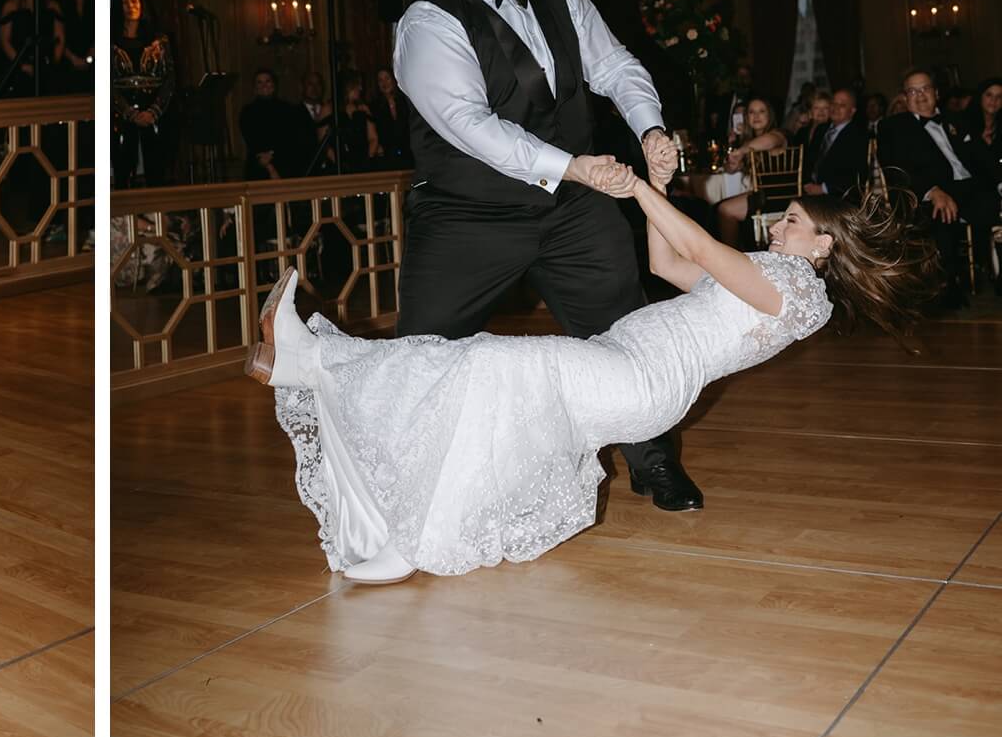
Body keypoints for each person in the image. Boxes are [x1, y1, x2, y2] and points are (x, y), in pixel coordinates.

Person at [247, 150, 938, 584]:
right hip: (627, 359)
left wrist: (638, 186)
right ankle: (319, 373)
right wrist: (652, 193)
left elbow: (695, 243)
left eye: (791, 220)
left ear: (824, 245)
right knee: (466, 372)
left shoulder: (797, 290)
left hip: (643, 382)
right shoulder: (778, 275)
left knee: (489, 364)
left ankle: (402, 521)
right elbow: (669, 263)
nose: (777, 226)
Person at [391, 0, 700, 511]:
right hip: (466, 212)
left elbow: (615, 67)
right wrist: (577, 167)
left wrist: (651, 128)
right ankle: (405, 480)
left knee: (626, 330)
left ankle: (654, 463)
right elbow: (475, 129)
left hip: (575, 212)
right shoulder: (429, 22)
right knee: (423, 353)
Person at [878, 67, 999, 305]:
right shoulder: (893, 126)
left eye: (925, 89)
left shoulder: (957, 120)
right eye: (912, 91)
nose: (920, 95)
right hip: (928, 194)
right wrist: (931, 191)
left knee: (997, 207)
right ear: (904, 97)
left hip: (971, 189)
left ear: (936, 93)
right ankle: (945, 287)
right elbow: (894, 168)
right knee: (940, 214)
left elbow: (983, 157)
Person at [111, 0, 172, 186]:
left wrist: (153, 111)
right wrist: (128, 112)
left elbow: (169, 78)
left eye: (134, 1)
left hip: (154, 109)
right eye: (125, 2)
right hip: (120, 111)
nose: (130, 6)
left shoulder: (159, 40)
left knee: (157, 167)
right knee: (122, 167)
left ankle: (157, 214)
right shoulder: (109, 39)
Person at [705, 96, 788, 242]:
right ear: (746, 117)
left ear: (769, 115)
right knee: (715, 208)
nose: (756, 116)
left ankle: (731, 256)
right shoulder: (747, 142)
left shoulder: (779, 134)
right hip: (761, 194)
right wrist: (732, 159)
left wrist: (741, 151)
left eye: (761, 111)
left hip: (779, 195)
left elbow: (768, 141)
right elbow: (731, 170)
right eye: (751, 112)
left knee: (725, 210)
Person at [0, 0, 65, 95]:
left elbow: (60, 38)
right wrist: (22, 65)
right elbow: (4, 41)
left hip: (47, 68)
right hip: (18, 69)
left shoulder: (52, 6)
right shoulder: (11, 6)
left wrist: (51, 64)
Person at [238, 68, 312, 181]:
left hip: (285, 164)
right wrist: (269, 167)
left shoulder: (287, 109)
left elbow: (290, 138)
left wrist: (273, 155)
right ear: (255, 88)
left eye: (268, 81)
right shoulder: (247, 112)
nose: (264, 85)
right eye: (260, 82)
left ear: (274, 85)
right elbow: (252, 140)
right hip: (258, 167)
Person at [804, 87, 869, 198]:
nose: (835, 108)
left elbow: (857, 176)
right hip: (810, 194)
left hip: (839, 198)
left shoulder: (859, 136)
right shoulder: (821, 130)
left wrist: (824, 189)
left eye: (842, 105)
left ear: (852, 111)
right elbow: (808, 160)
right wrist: (806, 183)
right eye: (833, 103)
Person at [368, 66, 411, 166]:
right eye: (380, 80)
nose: (384, 83)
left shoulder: (405, 101)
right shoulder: (374, 106)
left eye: (387, 78)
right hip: (386, 156)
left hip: (408, 153)